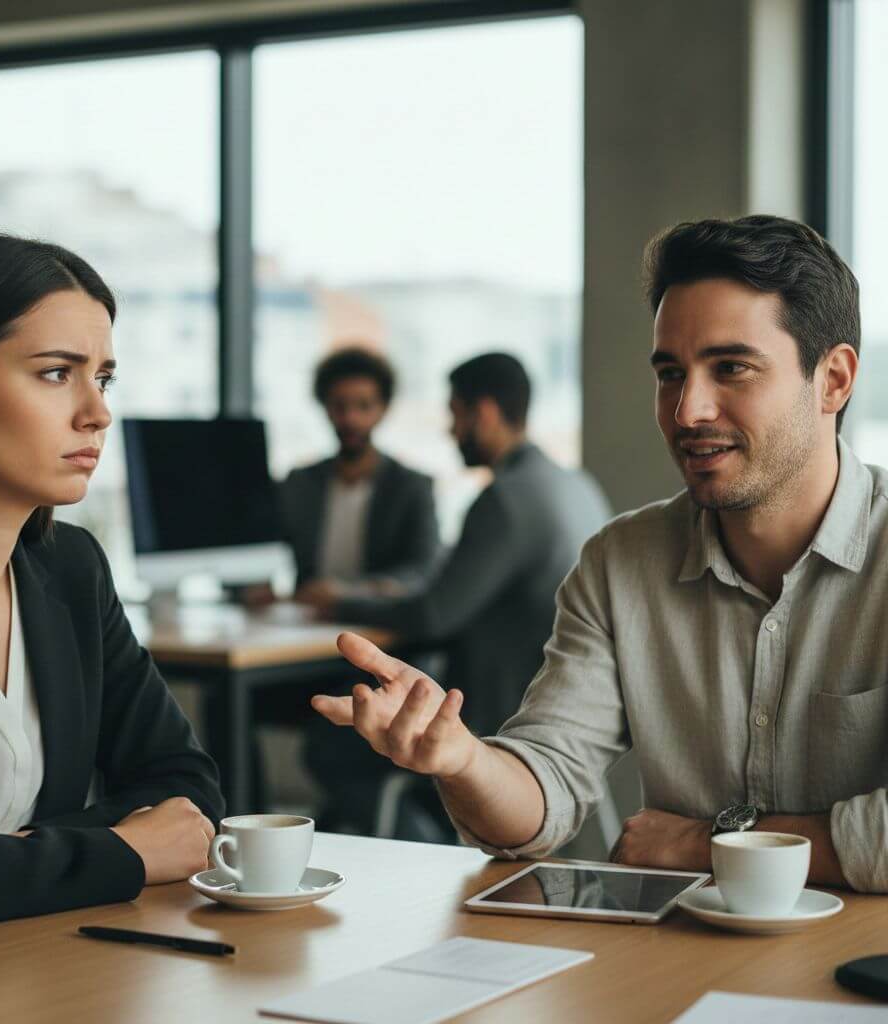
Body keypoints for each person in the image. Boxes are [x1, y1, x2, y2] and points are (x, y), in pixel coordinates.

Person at [312, 214, 888, 894]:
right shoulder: (621, 562)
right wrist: (463, 760)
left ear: (835, 380)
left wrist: (709, 844)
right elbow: (546, 785)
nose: (687, 410)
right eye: (671, 373)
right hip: (674, 966)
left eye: (731, 367)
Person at [0, 233, 224, 934]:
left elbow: (186, 788)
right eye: (57, 373)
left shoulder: (72, 570)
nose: (97, 413)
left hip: (30, 959)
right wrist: (120, 849)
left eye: (104, 377)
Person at [302, 352, 610, 836]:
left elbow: (433, 614)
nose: (450, 430)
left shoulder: (505, 498)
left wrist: (336, 602)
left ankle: (433, 845)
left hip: (495, 713)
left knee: (328, 745)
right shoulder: (574, 485)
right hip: (566, 706)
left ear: (482, 413)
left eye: (454, 413)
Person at [278, 346, 439, 601]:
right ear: (326, 408)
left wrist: (351, 592)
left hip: (378, 627)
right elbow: (265, 551)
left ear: (383, 409)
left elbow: (422, 570)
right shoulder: (300, 483)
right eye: (339, 406)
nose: (350, 418)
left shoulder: (411, 486)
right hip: (305, 621)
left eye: (363, 406)